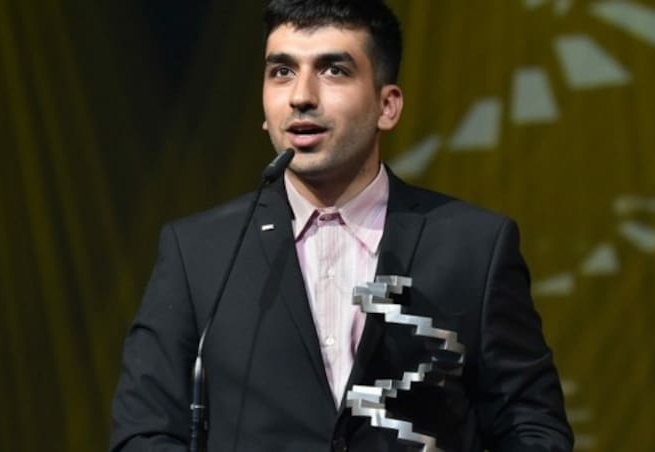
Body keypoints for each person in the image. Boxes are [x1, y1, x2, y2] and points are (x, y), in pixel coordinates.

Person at [110, 0, 573, 451]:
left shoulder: (475, 245)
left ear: (387, 106)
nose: (302, 96)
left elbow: (533, 427)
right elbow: (144, 431)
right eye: (281, 71)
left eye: (334, 70)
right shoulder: (198, 253)